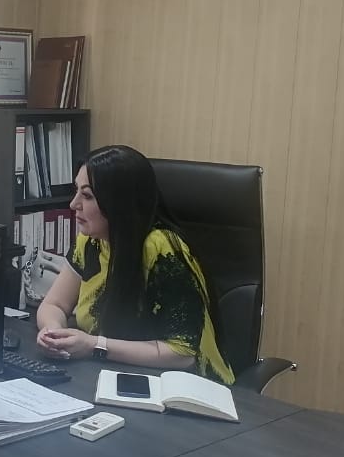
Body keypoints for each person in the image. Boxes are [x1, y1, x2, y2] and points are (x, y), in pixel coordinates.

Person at [35, 144, 234, 384]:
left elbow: (182, 354)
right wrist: (54, 334)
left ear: (118, 202)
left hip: (187, 388)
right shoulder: (91, 240)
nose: (73, 204)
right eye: (76, 191)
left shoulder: (160, 247)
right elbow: (55, 304)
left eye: (87, 196)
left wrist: (94, 345)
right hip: (117, 375)